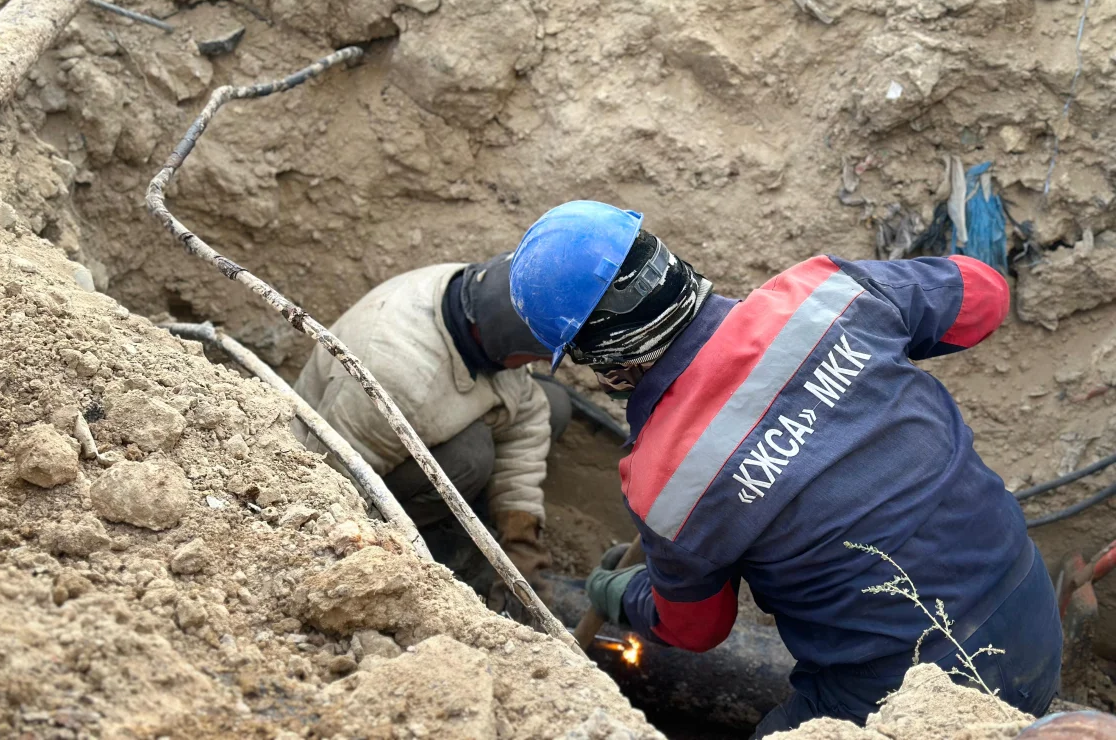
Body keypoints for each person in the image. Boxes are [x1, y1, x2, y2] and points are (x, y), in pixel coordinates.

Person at [507, 200, 1061, 735]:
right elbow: (984, 297)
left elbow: (696, 629)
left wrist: (627, 596)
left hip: (903, 700)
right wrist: (858, 358)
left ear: (604, 358)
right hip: (1032, 623)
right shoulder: (824, 293)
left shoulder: (663, 483)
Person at [292, 252, 570, 607]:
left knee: (555, 406)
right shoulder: (391, 378)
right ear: (500, 345)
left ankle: (475, 522)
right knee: (471, 457)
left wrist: (521, 544)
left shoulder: (480, 300)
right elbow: (328, 482)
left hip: (424, 415)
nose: (544, 361)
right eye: (537, 353)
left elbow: (525, 424)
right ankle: (435, 542)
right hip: (342, 456)